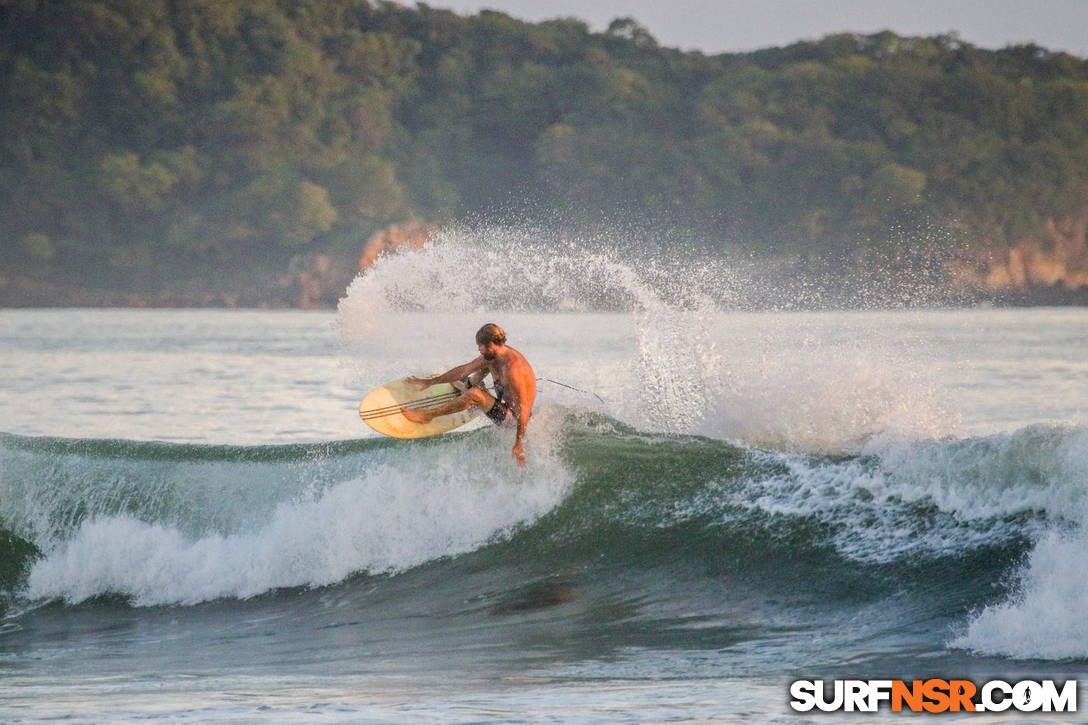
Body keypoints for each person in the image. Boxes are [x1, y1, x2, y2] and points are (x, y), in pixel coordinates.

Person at [402, 323, 536, 466]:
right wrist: (431, 382)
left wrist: (518, 443)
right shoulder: (495, 355)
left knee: (475, 393)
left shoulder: (513, 370)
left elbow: (524, 409)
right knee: (483, 368)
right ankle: (466, 387)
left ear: (491, 344)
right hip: (503, 402)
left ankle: (427, 416)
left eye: (480, 346)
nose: (478, 349)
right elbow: (465, 369)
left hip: (513, 420)